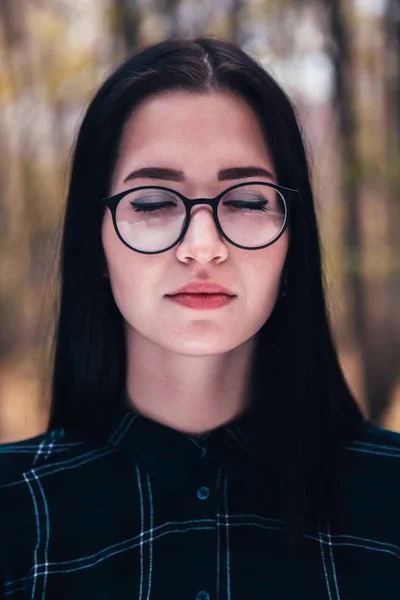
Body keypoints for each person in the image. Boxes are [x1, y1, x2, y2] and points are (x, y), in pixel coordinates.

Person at [1, 36, 399, 600]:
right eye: (153, 203)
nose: (203, 246)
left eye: (247, 201)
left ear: (294, 241)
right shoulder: (14, 513)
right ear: (96, 243)